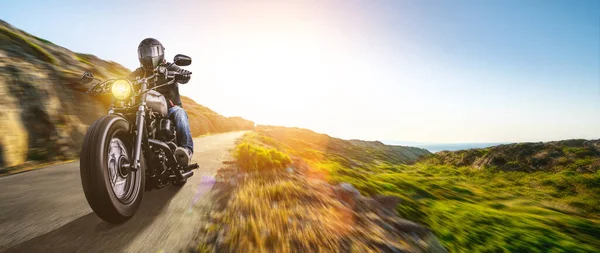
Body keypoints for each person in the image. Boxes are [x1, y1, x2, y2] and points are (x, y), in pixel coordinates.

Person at [129, 38, 194, 166]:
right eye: (144, 53)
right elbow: (126, 79)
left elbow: (182, 75)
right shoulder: (139, 72)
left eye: (152, 52)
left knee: (180, 113)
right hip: (147, 108)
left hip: (169, 108)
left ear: (160, 53)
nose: (148, 56)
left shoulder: (169, 67)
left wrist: (183, 74)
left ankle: (186, 150)